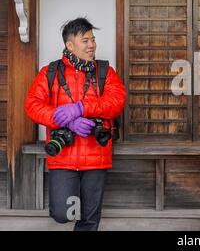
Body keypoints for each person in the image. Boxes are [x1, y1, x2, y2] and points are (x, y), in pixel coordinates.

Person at [25, 17, 126, 231]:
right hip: (63, 156)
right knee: (62, 213)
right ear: (70, 45)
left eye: (93, 39)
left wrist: (81, 108)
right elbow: (32, 105)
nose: (92, 45)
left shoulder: (105, 72)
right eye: (85, 40)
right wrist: (66, 121)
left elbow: (116, 102)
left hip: (96, 156)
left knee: (89, 219)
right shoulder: (49, 73)